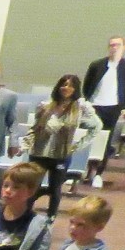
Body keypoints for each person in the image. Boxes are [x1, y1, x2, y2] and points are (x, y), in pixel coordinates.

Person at [25, 74, 101, 215]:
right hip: (39, 153)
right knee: (33, 187)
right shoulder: (46, 105)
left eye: (70, 85)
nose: (66, 88)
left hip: (61, 155)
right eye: (64, 84)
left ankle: (50, 219)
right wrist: (25, 144)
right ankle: (26, 216)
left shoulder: (80, 108)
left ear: (75, 89)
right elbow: (35, 129)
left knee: (55, 189)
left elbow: (97, 126)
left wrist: (78, 145)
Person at [82, 35, 125, 184]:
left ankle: (98, 172)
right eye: (111, 45)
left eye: (117, 45)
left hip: (113, 108)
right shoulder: (96, 65)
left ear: (123, 47)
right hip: (94, 106)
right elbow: (87, 86)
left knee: (105, 140)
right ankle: (85, 170)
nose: (114, 48)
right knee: (88, 138)